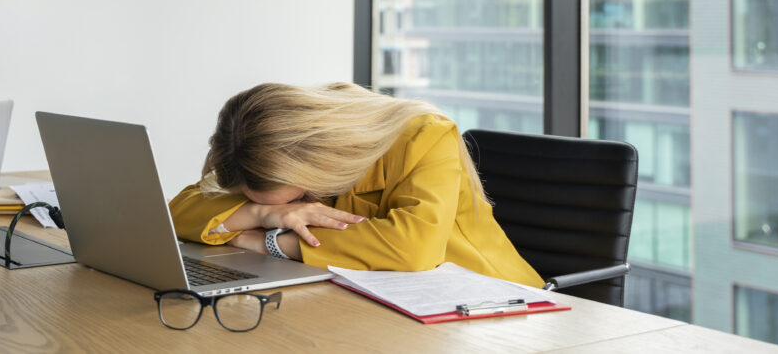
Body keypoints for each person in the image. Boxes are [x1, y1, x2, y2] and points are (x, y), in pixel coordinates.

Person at [168, 82, 543, 286]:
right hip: (375, 296)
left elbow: (412, 248)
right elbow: (176, 211)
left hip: (490, 301)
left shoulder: (425, 135)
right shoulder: (260, 149)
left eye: (299, 196)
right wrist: (262, 211)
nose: (296, 208)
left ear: (320, 159)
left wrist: (267, 242)